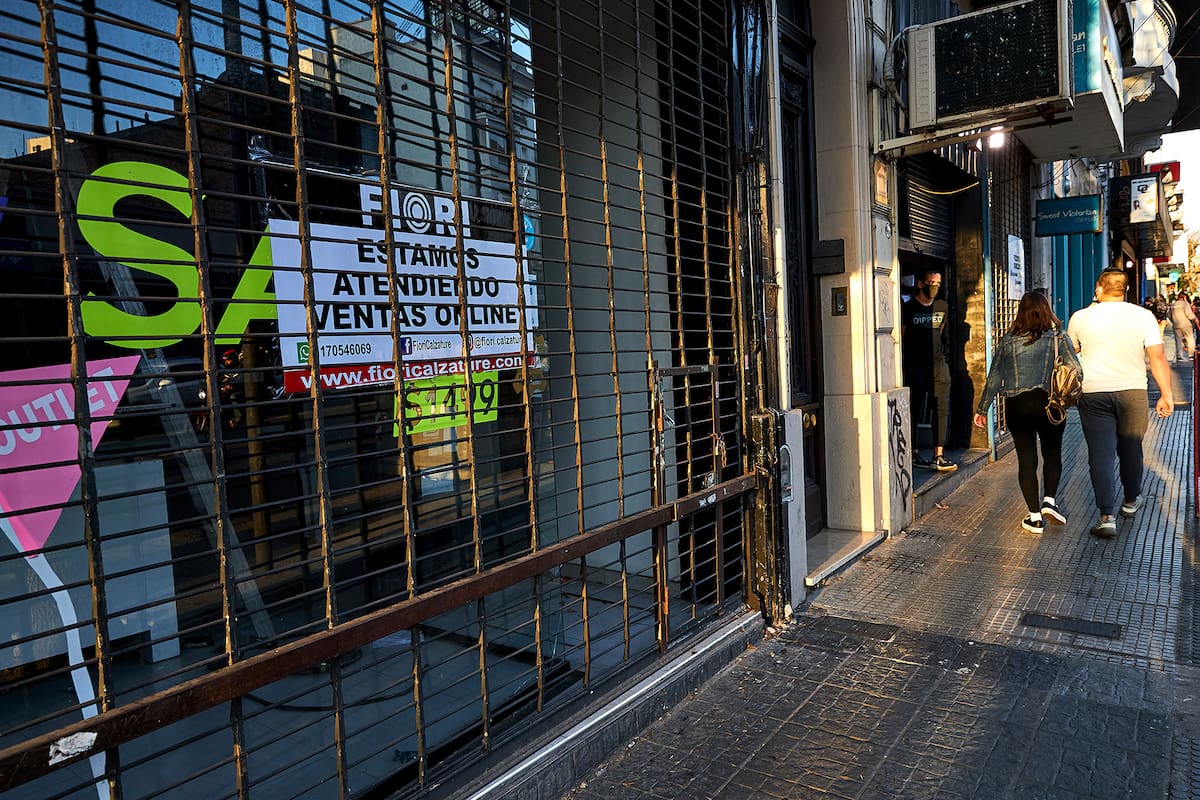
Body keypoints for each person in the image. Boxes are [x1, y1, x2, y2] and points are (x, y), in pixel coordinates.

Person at [1067, 269, 1174, 538]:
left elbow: (1071, 353)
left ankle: (1106, 517)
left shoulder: (1081, 317)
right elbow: (1157, 357)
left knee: (1100, 455)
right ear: (1124, 289)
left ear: (1098, 287)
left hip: (1093, 393)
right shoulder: (1143, 316)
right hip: (1133, 391)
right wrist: (1166, 393)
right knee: (1131, 448)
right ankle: (1130, 500)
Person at [973, 293, 1081, 533]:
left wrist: (982, 408)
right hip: (1050, 404)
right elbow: (1076, 370)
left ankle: (1034, 517)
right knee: (1052, 453)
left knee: (1026, 459)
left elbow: (994, 378)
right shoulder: (1058, 337)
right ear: (1046, 310)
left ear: (1020, 312)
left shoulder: (1009, 340)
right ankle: (1049, 501)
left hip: (1017, 405)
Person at [902, 268, 956, 471]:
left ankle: (938, 455)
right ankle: (914, 452)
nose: (935, 287)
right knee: (915, 409)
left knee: (941, 410)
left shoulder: (942, 306)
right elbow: (902, 335)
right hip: (916, 365)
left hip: (939, 365)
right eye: (931, 283)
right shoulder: (909, 308)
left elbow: (943, 334)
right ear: (920, 284)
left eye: (938, 284)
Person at [1168, 291, 1198, 361]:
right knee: (1190, 339)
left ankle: (1179, 356)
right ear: (1184, 297)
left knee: (1178, 340)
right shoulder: (1185, 304)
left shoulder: (1173, 304)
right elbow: (1189, 314)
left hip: (1176, 325)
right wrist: (1195, 318)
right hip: (1186, 324)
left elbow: (1169, 315)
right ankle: (1191, 355)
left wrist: (1173, 321)